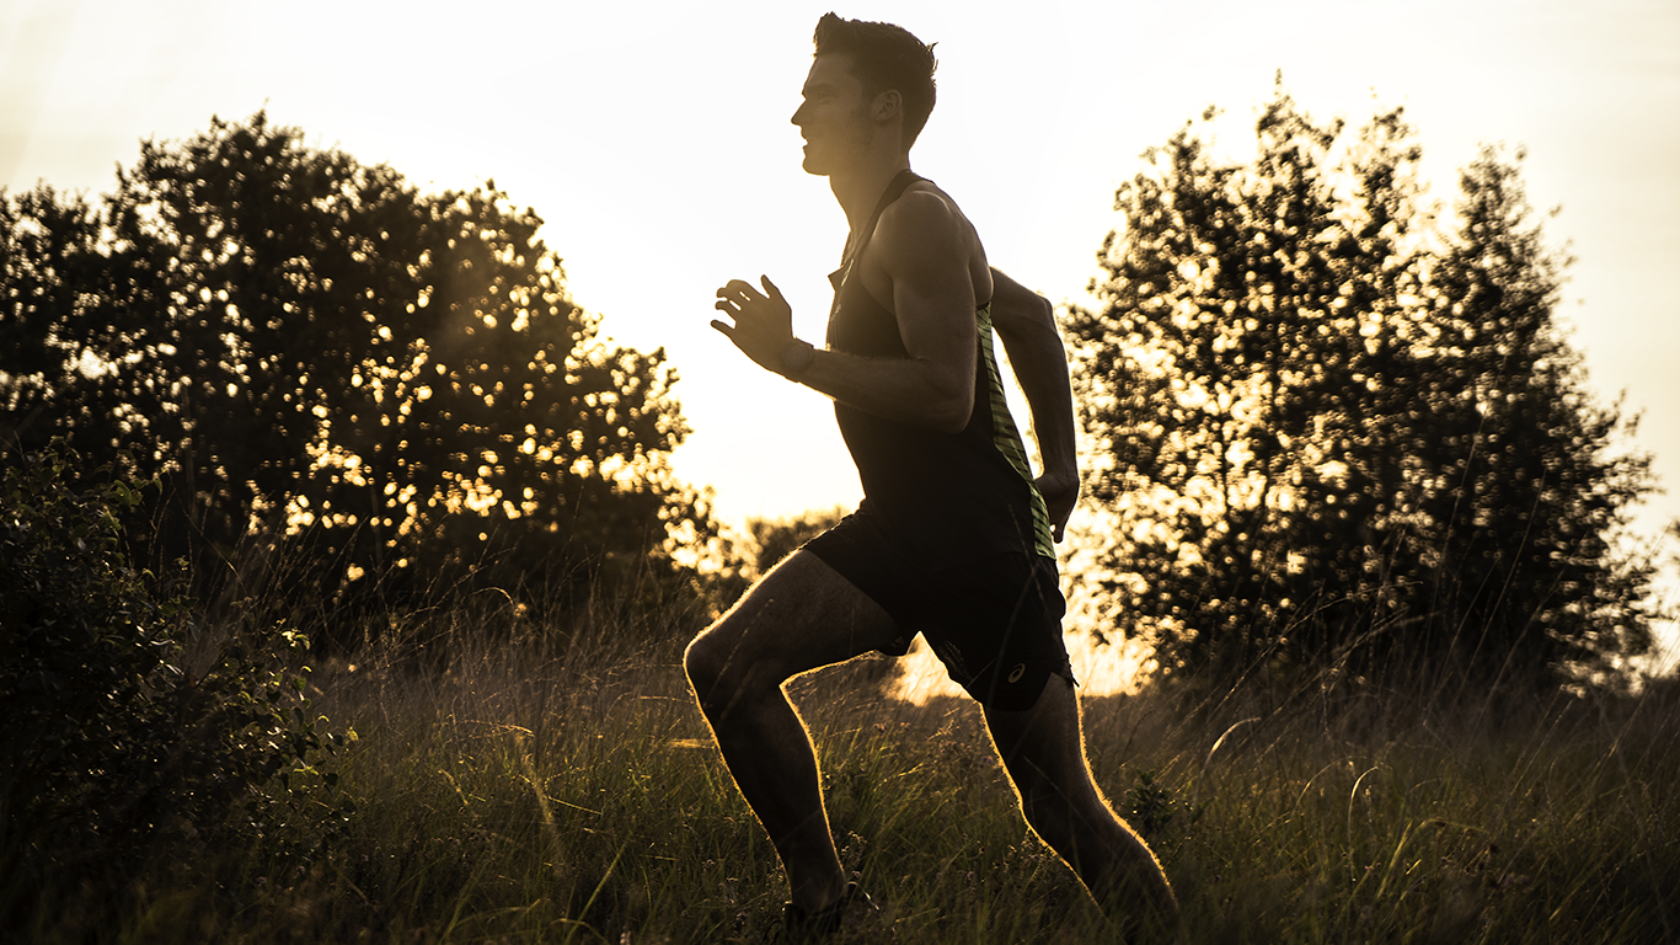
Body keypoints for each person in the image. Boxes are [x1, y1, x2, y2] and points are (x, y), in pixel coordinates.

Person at [685, 13, 1180, 940]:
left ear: (884, 107)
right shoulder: (884, 228)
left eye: (818, 93)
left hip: (979, 547)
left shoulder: (918, 217)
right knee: (724, 663)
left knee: (1061, 809)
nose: (797, 112)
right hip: (902, 528)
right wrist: (1062, 470)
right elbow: (1030, 320)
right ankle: (824, 907)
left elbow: (947, 395)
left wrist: (792, 356)